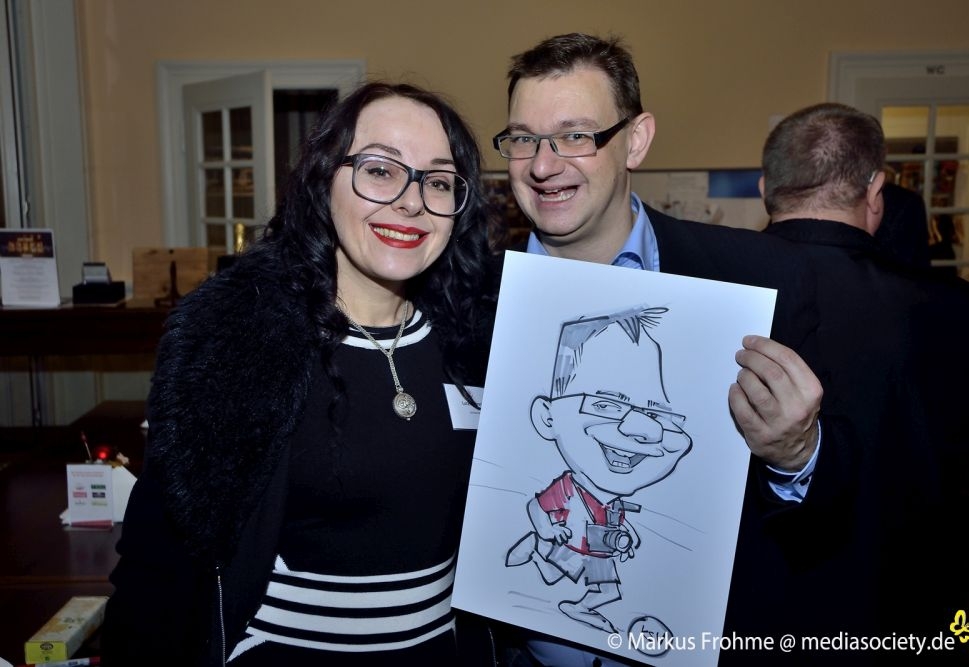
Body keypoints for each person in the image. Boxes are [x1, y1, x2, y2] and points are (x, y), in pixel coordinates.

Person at [102, 82, 497, 666]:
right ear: (323, 180)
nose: (412, 202)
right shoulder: (239, 343)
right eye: (380, 170)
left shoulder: (479, 339)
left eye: (437, 181)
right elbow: (158, 560)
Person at [491, 33, 833, 666]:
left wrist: (797, 455)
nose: (543, 165)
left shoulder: (758, 279)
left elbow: (840, 515)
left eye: (575, 136)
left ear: (636, 141)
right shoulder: (469, 300)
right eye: (524, 139)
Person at [761, 102, 969, 664]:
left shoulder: (707, 296)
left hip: (742, 617)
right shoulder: (967, 315)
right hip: (908, 613)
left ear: (765, 188)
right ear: (875, 192)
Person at [505, 306, 692, 635]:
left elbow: (615, 519)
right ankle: (538, 550)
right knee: (566, 573)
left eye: (658, 416)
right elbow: (537, 506)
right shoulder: (568, 487)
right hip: (577, 545)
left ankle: (566, 589)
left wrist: (628, 538)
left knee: (594, 584)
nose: (643, 430)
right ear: (548, 418)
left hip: (597, 549)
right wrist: (546, 530)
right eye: (606, 404)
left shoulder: (612, 500)